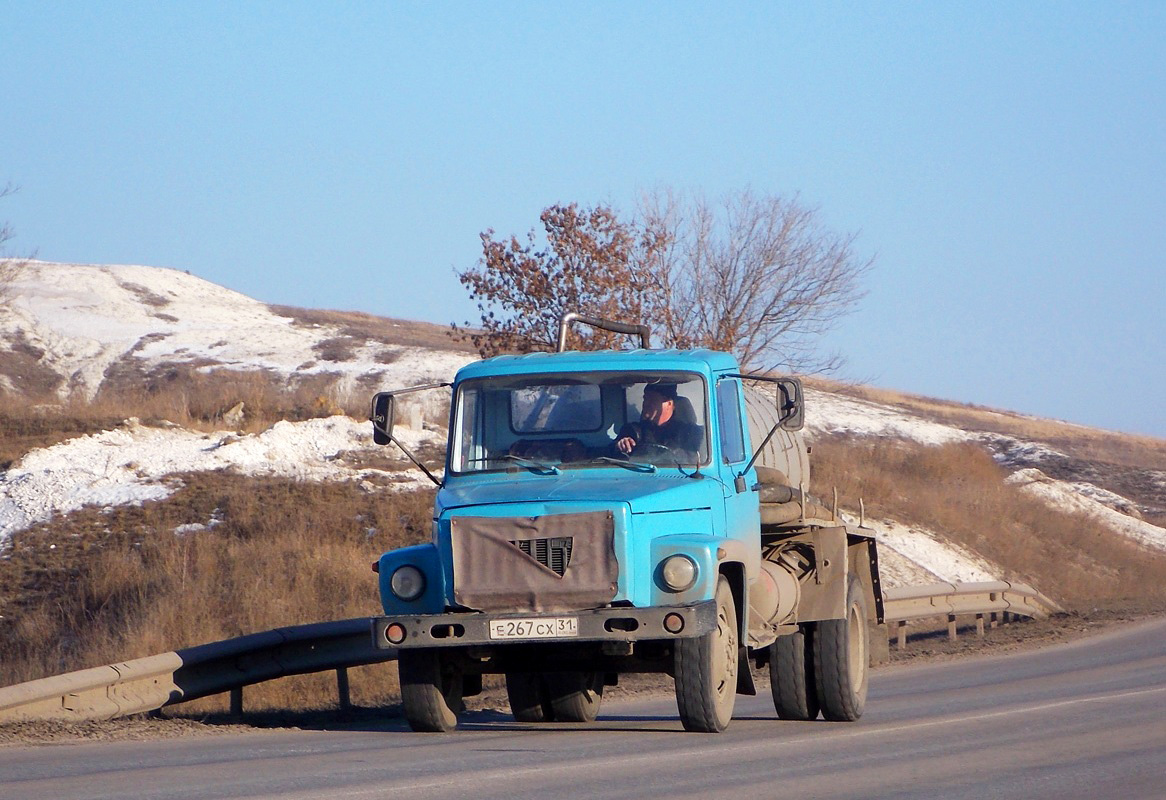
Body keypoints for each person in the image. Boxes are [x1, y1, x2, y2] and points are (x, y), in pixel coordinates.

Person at [614, 383, 702, 461]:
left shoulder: (692, 434)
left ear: (669, 404)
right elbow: (608, 456)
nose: (645, 404)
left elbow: (694, 462)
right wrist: (619, 445)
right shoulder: (634, 431)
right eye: (645, 399)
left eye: (652, 400)